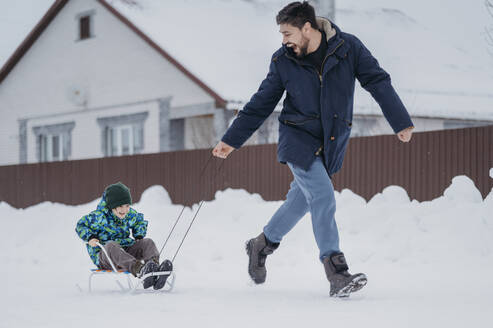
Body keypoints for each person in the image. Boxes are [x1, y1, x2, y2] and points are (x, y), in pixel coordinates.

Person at [212, 2, 414, 297]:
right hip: (297, 139)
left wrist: (400, 121)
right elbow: (262, 102)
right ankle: (337, 272)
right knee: (321, 195)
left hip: (332, 140)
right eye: (281, 34)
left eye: (287, 32)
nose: (284, 40)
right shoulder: (282, 60)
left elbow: (377, 80)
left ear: (308, 27)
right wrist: (231, 140)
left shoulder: (348, 48)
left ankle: (260, 245)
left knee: (301, 201)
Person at [75, 182, 172, 290]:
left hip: (125, 252)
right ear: (112, 205)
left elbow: (139, 221)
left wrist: (138, 234)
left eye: (127, 206)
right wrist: (90, 237)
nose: (124, 210)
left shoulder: (128, 214)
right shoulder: (98, 216)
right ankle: (140, 270)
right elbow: (81, 225)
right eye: (120, 206)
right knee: (111, 245)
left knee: (147, 242)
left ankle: (154, 269)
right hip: (106, 256)